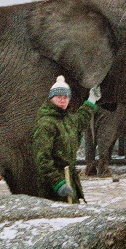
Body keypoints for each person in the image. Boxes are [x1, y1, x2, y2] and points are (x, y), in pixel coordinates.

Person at [32, 75, 100, 203]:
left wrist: (92, 99)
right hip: (52, 188)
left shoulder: (68, 119)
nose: (62, 100)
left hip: (70, 181)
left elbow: (81, 119)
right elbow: (42, 159)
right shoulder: (46, 124)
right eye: (59, 97)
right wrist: (58, 183)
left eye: (65, 97)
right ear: (51, 98)